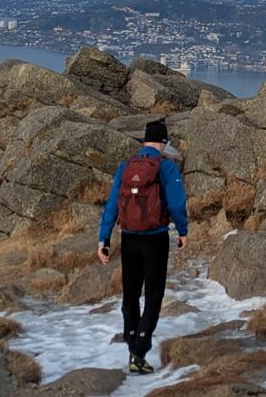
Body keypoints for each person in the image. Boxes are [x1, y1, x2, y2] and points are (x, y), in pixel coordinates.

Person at [97, 119, 188, 375]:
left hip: (129, 238)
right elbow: (177, 204)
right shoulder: (166, 167)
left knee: (131, 295)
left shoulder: (125, 167)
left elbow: (112, 205)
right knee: (153, 295)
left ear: (144, 140)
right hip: (155, 239)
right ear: (163, 142)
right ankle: (139, 351)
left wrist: (103, 240)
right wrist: (183, 231)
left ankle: (132, 345)